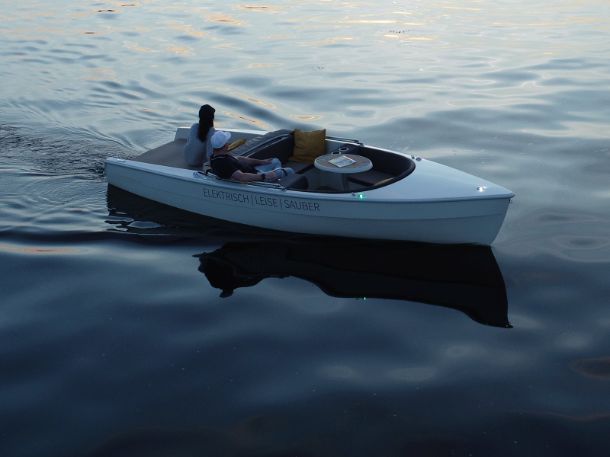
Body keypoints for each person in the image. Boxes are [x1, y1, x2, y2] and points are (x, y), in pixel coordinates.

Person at [209, 131, 294, 183]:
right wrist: (265, 176)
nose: (228, 143)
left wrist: (262, 162)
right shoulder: (223, 163)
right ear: (224, 145)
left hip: (255, 171)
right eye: (227, 142)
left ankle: (277, 177)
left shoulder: (216, 156)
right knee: (290, 171)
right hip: (256, 179)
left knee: (275, 161)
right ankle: (276, 180)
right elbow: (242, 177)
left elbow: (240, 159)